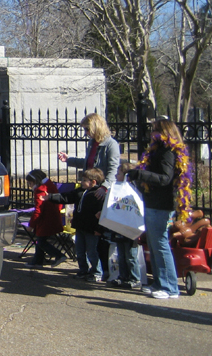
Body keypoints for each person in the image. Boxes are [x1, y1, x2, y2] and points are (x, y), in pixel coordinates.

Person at [127, 118, 190, 299]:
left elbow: (164, 178)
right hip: (153, 202)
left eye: (154, 130)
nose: (151, 134)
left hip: (161, 204)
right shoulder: (159, 151)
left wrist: (140, 174)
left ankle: (170, 287)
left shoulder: (167, 152)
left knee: (160, 244)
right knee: (155, 245)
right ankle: (158, 282)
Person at [46, 167, 106, 282]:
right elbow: (66, 197)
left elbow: (102, 214)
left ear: (93, 182)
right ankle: (83, 270)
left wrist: (99, 228)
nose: (81, 182)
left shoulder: (98, 195)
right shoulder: (80, 192)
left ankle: (96, 272)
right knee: (79, 251)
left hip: (92, 229)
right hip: (80, 227)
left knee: (92, 251)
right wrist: (51, 197)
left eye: (84, 180)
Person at [57, 113, 120, 195]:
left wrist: (105, 187)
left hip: (101, 190)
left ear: (96, 127)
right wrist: (68, 160)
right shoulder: (92, 143)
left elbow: (113, 170)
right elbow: (89, 163)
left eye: (87, 129)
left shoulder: (111, 144)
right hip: (89, 187)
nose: (86, 133)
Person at [105, 161, 143, 290]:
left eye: (119, 173)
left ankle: (135, 278)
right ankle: (123, 276)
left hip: (130, 226)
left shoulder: (132, 189)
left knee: (131, 256)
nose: (116, 175)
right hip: (119, 226)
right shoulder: (117, 187)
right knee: (121, 254)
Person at [24, 169, 67, 267]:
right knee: (40, 240)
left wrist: (31, 225)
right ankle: (37, 261)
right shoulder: (49, 185)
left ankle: (58, 255)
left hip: (45, 220)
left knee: (42, 242)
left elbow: (38, 210)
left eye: (30, 183)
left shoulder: (40, 190)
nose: (29, 186)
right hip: (53, 216)